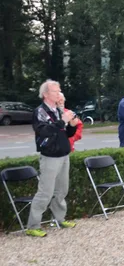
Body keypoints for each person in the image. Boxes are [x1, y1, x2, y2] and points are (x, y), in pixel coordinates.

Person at [27, 80, 79, 237]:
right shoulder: (40, 112)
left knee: (62, 190)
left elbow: (66, 133)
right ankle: (33, 225)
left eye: (59, 90)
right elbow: (44, 131)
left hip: (63, 154)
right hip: (50, 156)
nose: (59, 93)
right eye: (55, 91)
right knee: (45, 192)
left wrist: (71, 124)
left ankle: (59, 218)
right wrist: (62, 120)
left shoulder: (58, 110)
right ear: (46, 94)